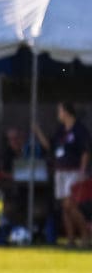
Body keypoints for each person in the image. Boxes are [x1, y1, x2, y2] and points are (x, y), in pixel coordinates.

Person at [37, 102, 87, 241]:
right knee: (64, 207)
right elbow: (49, 146)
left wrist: (82, 171)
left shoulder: (79, 130)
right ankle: (70, 238)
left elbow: (85, 151)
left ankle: (85, 234)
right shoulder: (60, 130)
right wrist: (38, 132)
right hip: (60, 171)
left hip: (74, 171)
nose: (58, 114)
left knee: (70, 205)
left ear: (66, 112)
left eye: (60, 111)